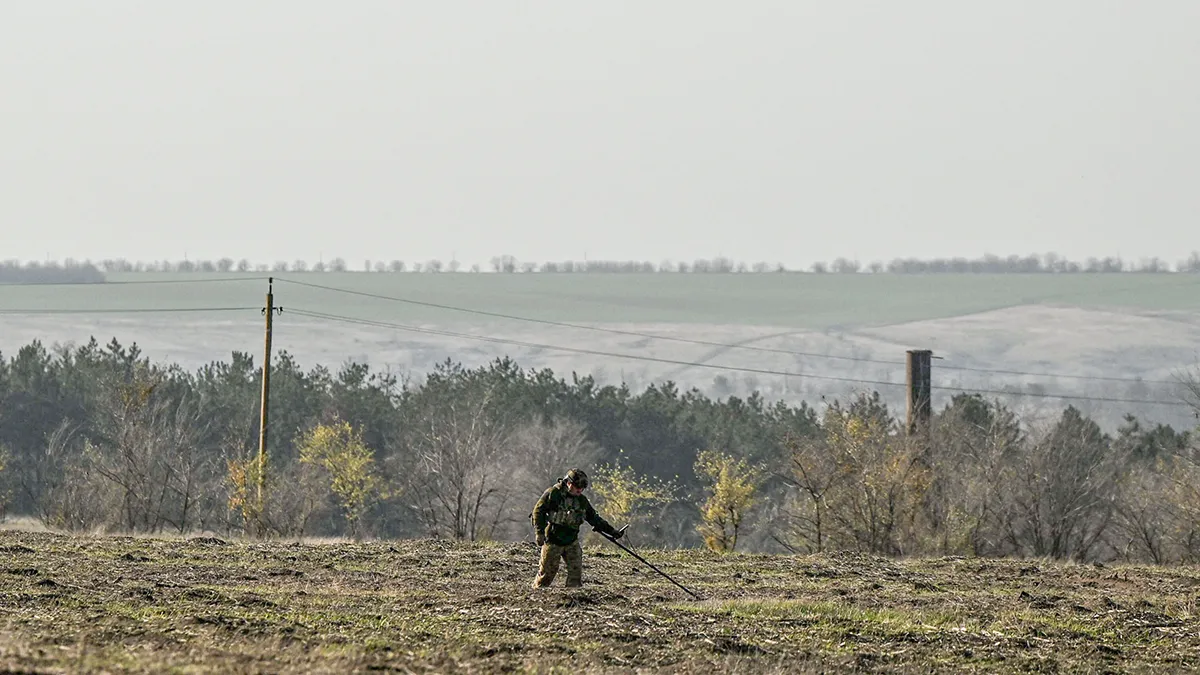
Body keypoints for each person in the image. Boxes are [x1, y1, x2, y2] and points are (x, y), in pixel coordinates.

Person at [530, 468, 624, 589]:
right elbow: (538, 512)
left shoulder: (582, 501)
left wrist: (612, 531)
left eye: (582, 488)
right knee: (546, 575)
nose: (580, 490)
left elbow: (594, 519)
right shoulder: (553, 494)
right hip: (553, 541)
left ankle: (572, 600)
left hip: (571, 542)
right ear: (568, 483)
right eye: (577, 487)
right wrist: (539, 533)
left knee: (576, 575)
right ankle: (536, 595)